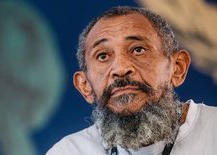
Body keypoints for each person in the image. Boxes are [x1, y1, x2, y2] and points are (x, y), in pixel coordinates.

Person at [46, 6, 217, 155]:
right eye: (103, 55)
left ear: (177, 68)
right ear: (85, 86)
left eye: (138, 50)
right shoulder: (69, 151)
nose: (120, 69)